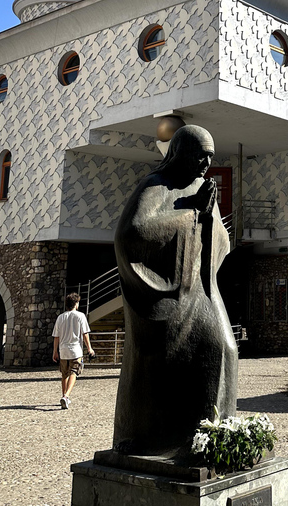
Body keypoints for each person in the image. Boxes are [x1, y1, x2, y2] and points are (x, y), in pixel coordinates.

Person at [112, 125, 238, 462]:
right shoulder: (155, 185)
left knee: (226, 346)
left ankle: (215, 437)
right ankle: (167, 439)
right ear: (181, 151)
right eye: (200, 154)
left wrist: (207, 216)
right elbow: (133, 231)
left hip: (199, 288)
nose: (206, 162)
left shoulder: (200, 187)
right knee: (191, 354)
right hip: (167, 294)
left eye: (211, 156)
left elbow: (223, 244)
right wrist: (191, 213)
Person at [52, 292, 94, 410]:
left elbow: (56, 336)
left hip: (63, 350)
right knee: (74, 372)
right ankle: (66, 396)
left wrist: (55, 351)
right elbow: (85, 334)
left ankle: (64, 396)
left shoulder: (60, 317)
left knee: (64, 374)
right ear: (75, 303)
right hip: (76, 350)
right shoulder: (80, 316)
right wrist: (89, 348)